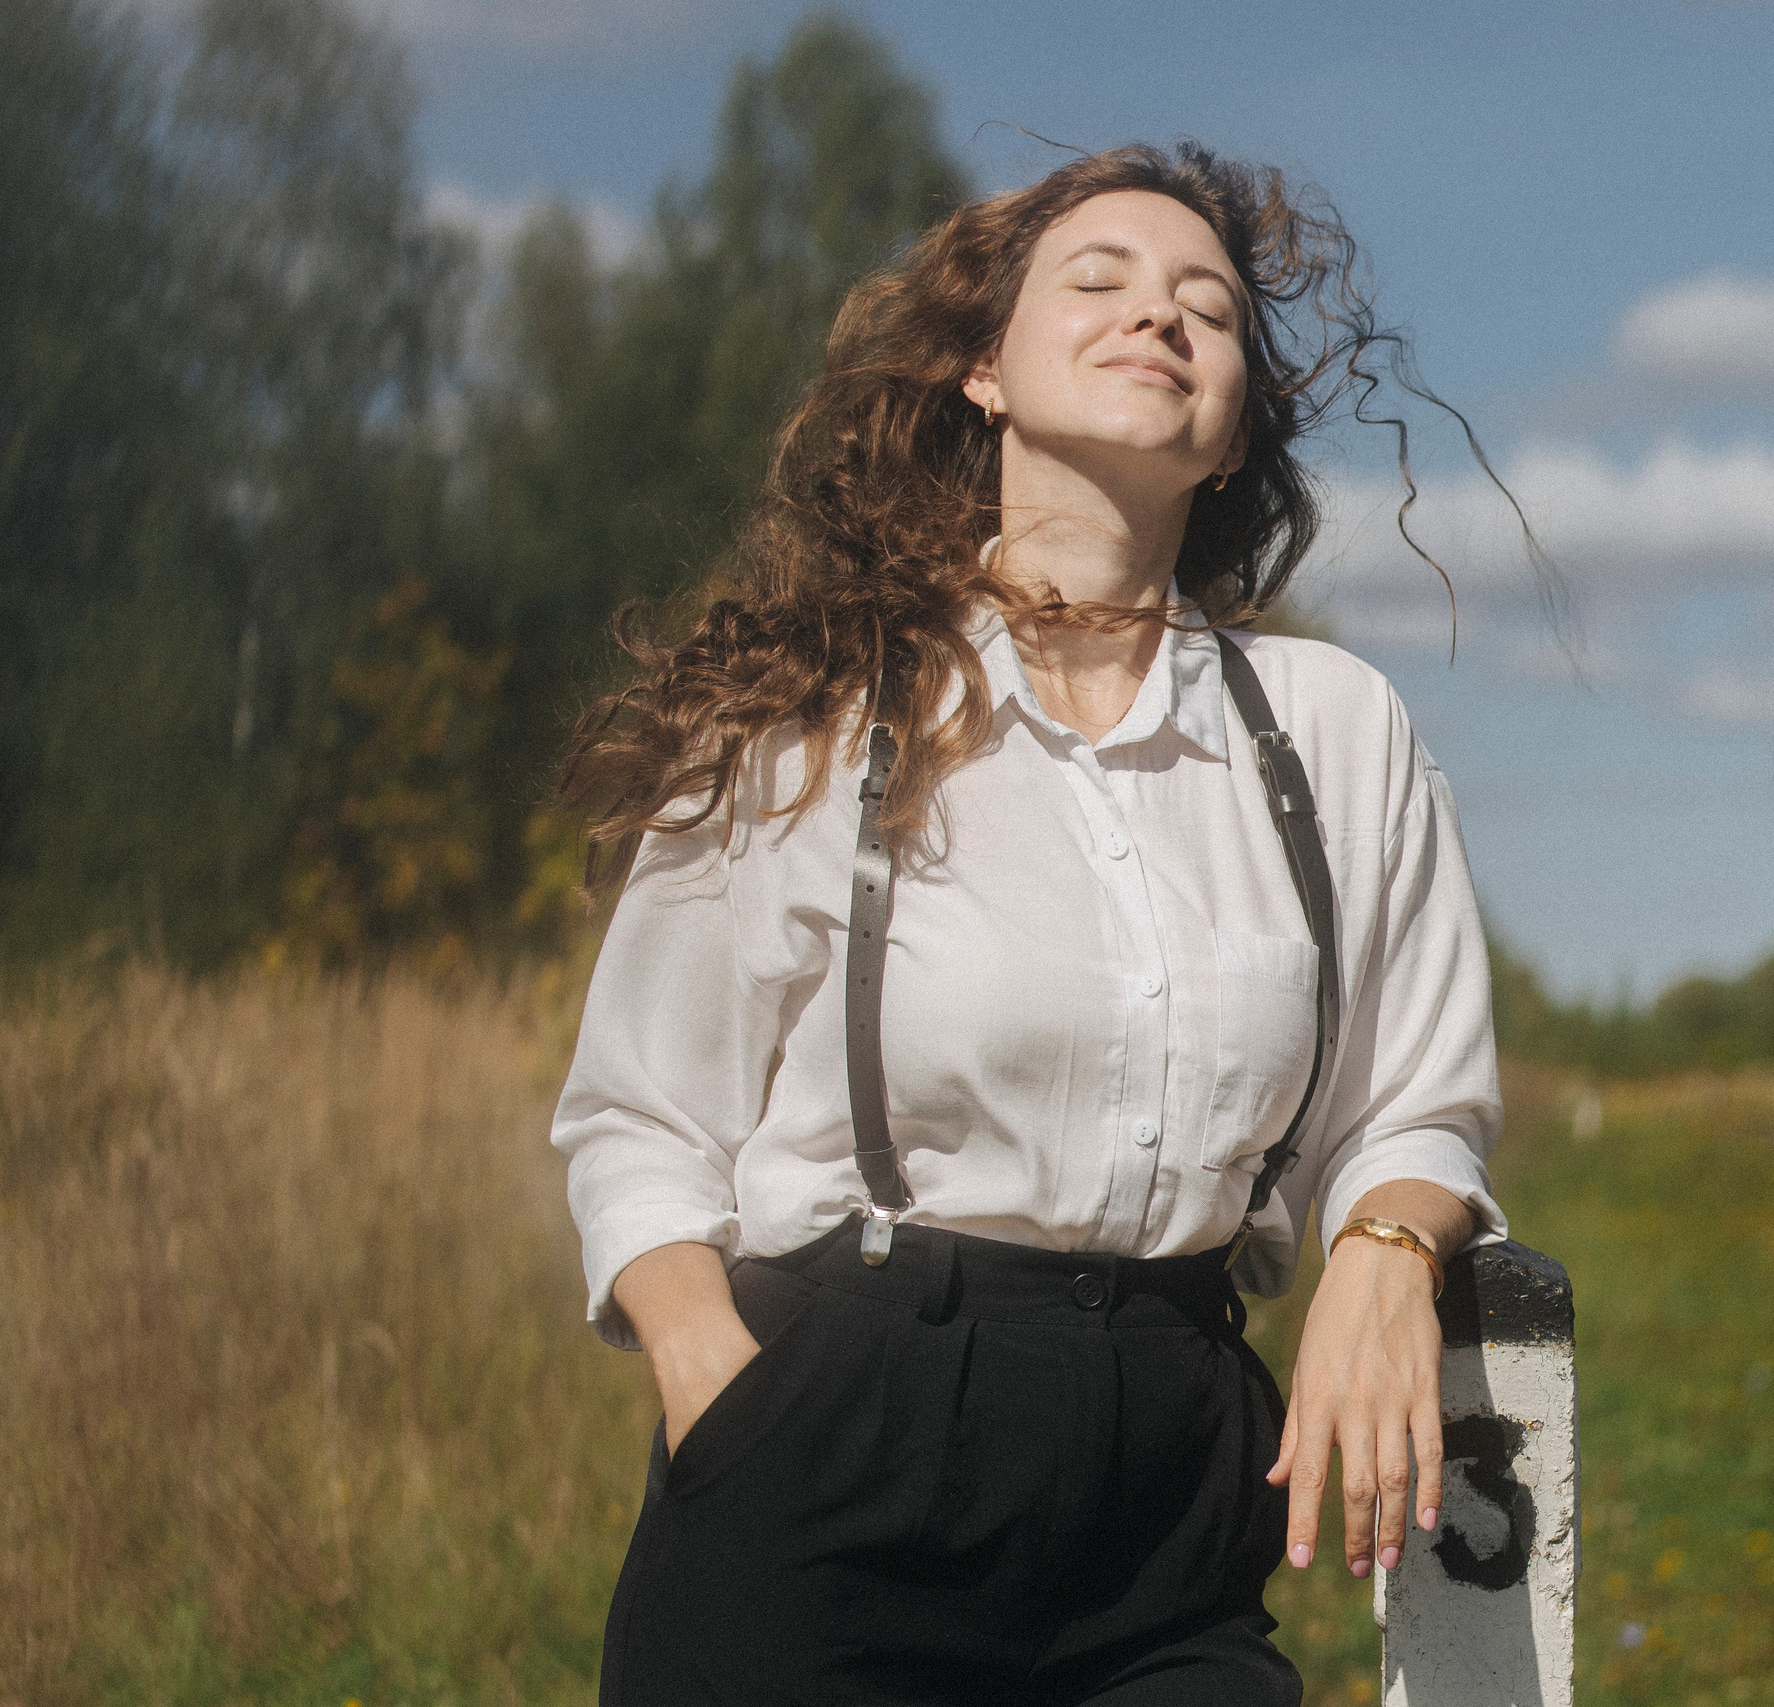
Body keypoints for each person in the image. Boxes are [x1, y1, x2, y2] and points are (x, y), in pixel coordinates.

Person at [551, 142, 1509, 1705]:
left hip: (1168, 1492)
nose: (1163, 316)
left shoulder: (1331, 733)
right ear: (985, 372)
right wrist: (716, 1387)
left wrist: (1388, 1254)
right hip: (835, 1456)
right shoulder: (825, 708)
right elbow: (636, 1115)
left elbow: (1417, 1095)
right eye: (1103, 281)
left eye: (1207, 306)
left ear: (1233, 434)